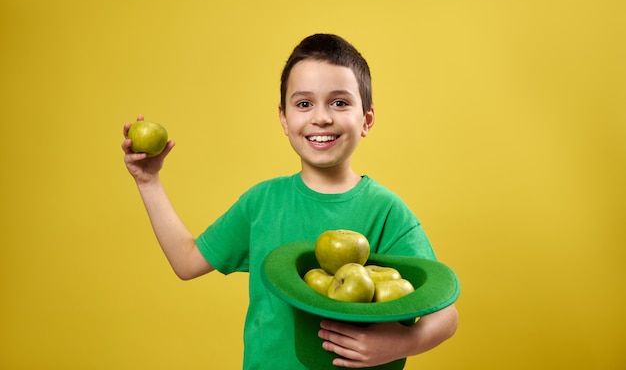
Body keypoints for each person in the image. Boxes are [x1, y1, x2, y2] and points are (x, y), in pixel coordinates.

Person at [122, 33, 458, 369]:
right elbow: (187, 261)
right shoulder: (261, 203)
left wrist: (400, 344)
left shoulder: (387, 211)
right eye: (304, 104)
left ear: (366, 119)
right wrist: (148, 181)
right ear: (284, 118)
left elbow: (445, 314)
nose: (321, 118)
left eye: (339, 103)